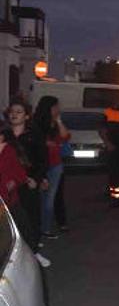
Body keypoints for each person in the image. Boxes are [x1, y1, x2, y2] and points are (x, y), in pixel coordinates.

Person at [6, 99, 48, 260]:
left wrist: (37, 178)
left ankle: (33, 252)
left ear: (27, 116)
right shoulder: (4, 135)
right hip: (7, 184)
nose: (14, 115)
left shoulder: (34, 135)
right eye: (12, 112)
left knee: (31, 216)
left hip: (28, 182)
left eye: (19, 112)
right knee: (10, 218)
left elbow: (42, 160)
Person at [0, 128, 46, 266]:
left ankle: (34, 254)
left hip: (11, 199)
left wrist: (14, 181)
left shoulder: (9, 150)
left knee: (23, 226)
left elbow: (19, 172)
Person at [32, 96, 69, 238]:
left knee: (50, 198)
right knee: (40, 197)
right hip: (41, 164)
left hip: (55, 165)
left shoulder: (56, 122)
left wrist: (58, 121)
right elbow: (35, 141)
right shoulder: (37, 123)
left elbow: (65, 136)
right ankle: (38, 227)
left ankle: (45, 229)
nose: (58, 109)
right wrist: (45, 143)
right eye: (55, 107)